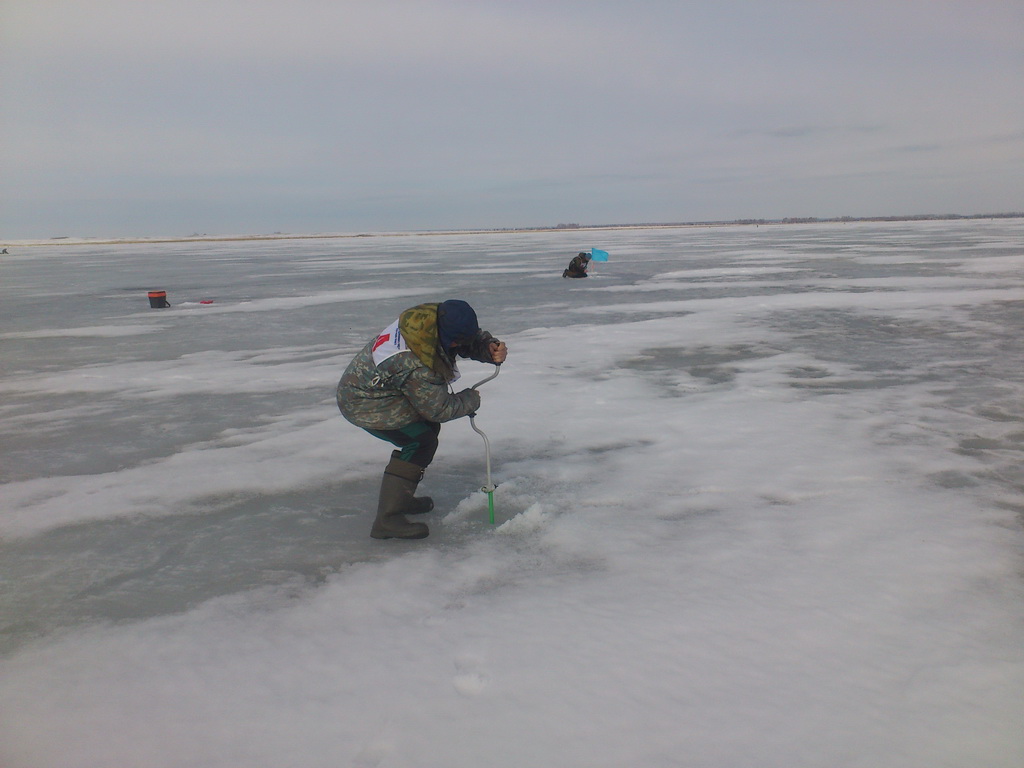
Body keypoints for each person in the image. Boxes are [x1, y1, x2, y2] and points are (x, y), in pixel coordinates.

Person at [337, 300, 508, 539]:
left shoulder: (430, 319)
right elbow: (438, 409)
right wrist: (470, 399)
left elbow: (461, 340)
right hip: (365, 403)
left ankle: (401, 496)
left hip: (384, 390)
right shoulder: (415, 362)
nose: (458, 345)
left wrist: (488, 347)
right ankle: (388, 519)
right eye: (457, 342)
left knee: (426, 432)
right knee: (421, 440)